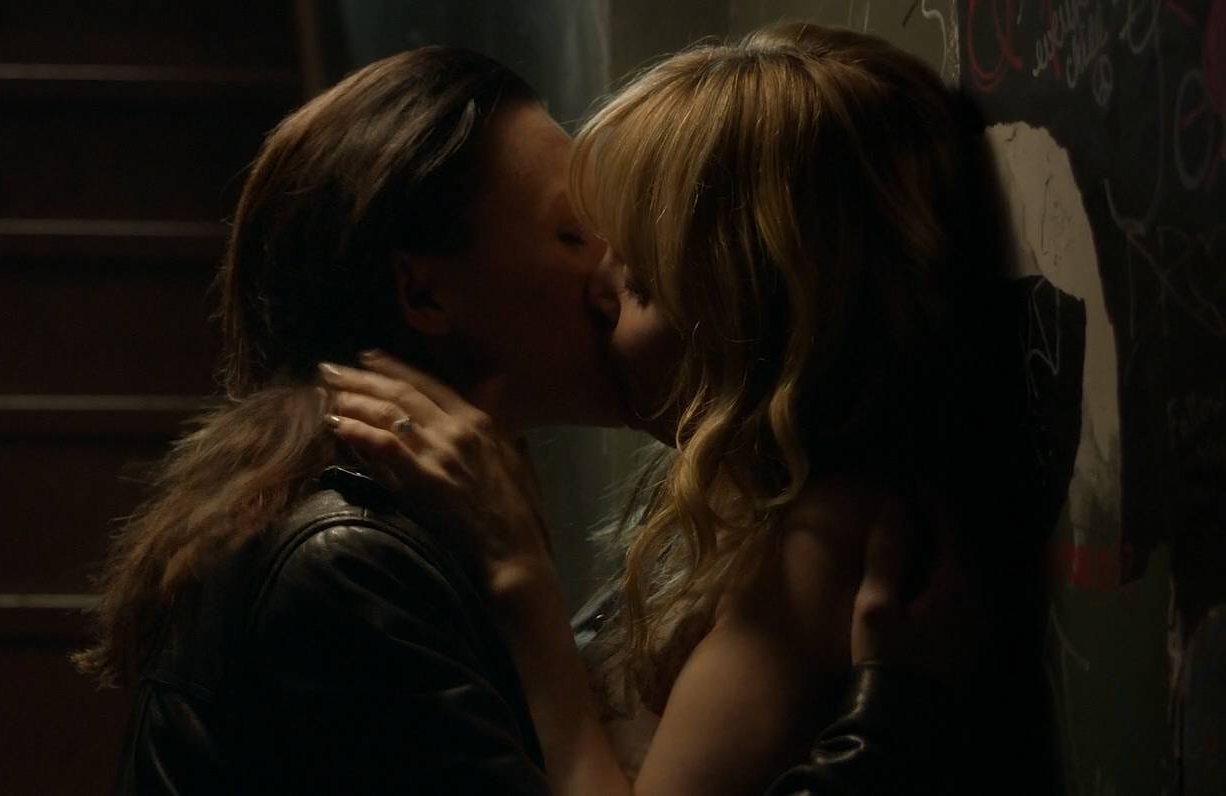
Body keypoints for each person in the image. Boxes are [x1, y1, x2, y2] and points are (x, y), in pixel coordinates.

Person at [321, 24, 1004, 794]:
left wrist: (522, 578)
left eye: (641, 281)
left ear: (756, 319)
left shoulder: (824, 543)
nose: (598, 289)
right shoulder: (757, 505)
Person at [76, 46, 616, 795]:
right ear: (423, 294)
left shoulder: (389, 525)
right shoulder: (348, 565)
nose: (612, 269)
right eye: (572, 235)